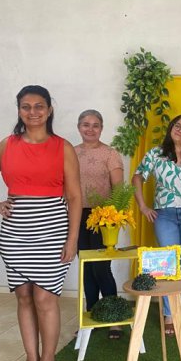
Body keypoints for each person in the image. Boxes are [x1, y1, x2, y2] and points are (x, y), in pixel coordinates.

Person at [0, 85, 82, 361]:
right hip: (15, 233)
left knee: (45, 297)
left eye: (39, 106)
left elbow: (75, 197)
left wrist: (72, 240)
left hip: (52, 230)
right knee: (23, 296)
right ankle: (31, 360)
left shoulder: (63, 147)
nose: (32, 112)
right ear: (19, 110)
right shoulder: (7, 145)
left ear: (49, 110)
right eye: (26, 106)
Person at [133, 114, 181, 335]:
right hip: (164, 214)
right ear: (171, 128)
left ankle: (177, 309)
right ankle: (170, 314)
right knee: (170, 261)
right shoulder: (156, 154)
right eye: (178, 126)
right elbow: (137, 177)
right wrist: (143, 207)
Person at [75, 109, 125, 339]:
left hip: (103, 217)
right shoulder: (71, 153)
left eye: (95, 125)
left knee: (101, 268)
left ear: (102, 128)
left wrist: (112, 219)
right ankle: (93, 316)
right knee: (86, 268)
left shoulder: (110, 154)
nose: (90, 129)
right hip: (77, 216)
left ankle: (114, 319)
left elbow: (119, 191)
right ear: (79, 127)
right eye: (86, 125)